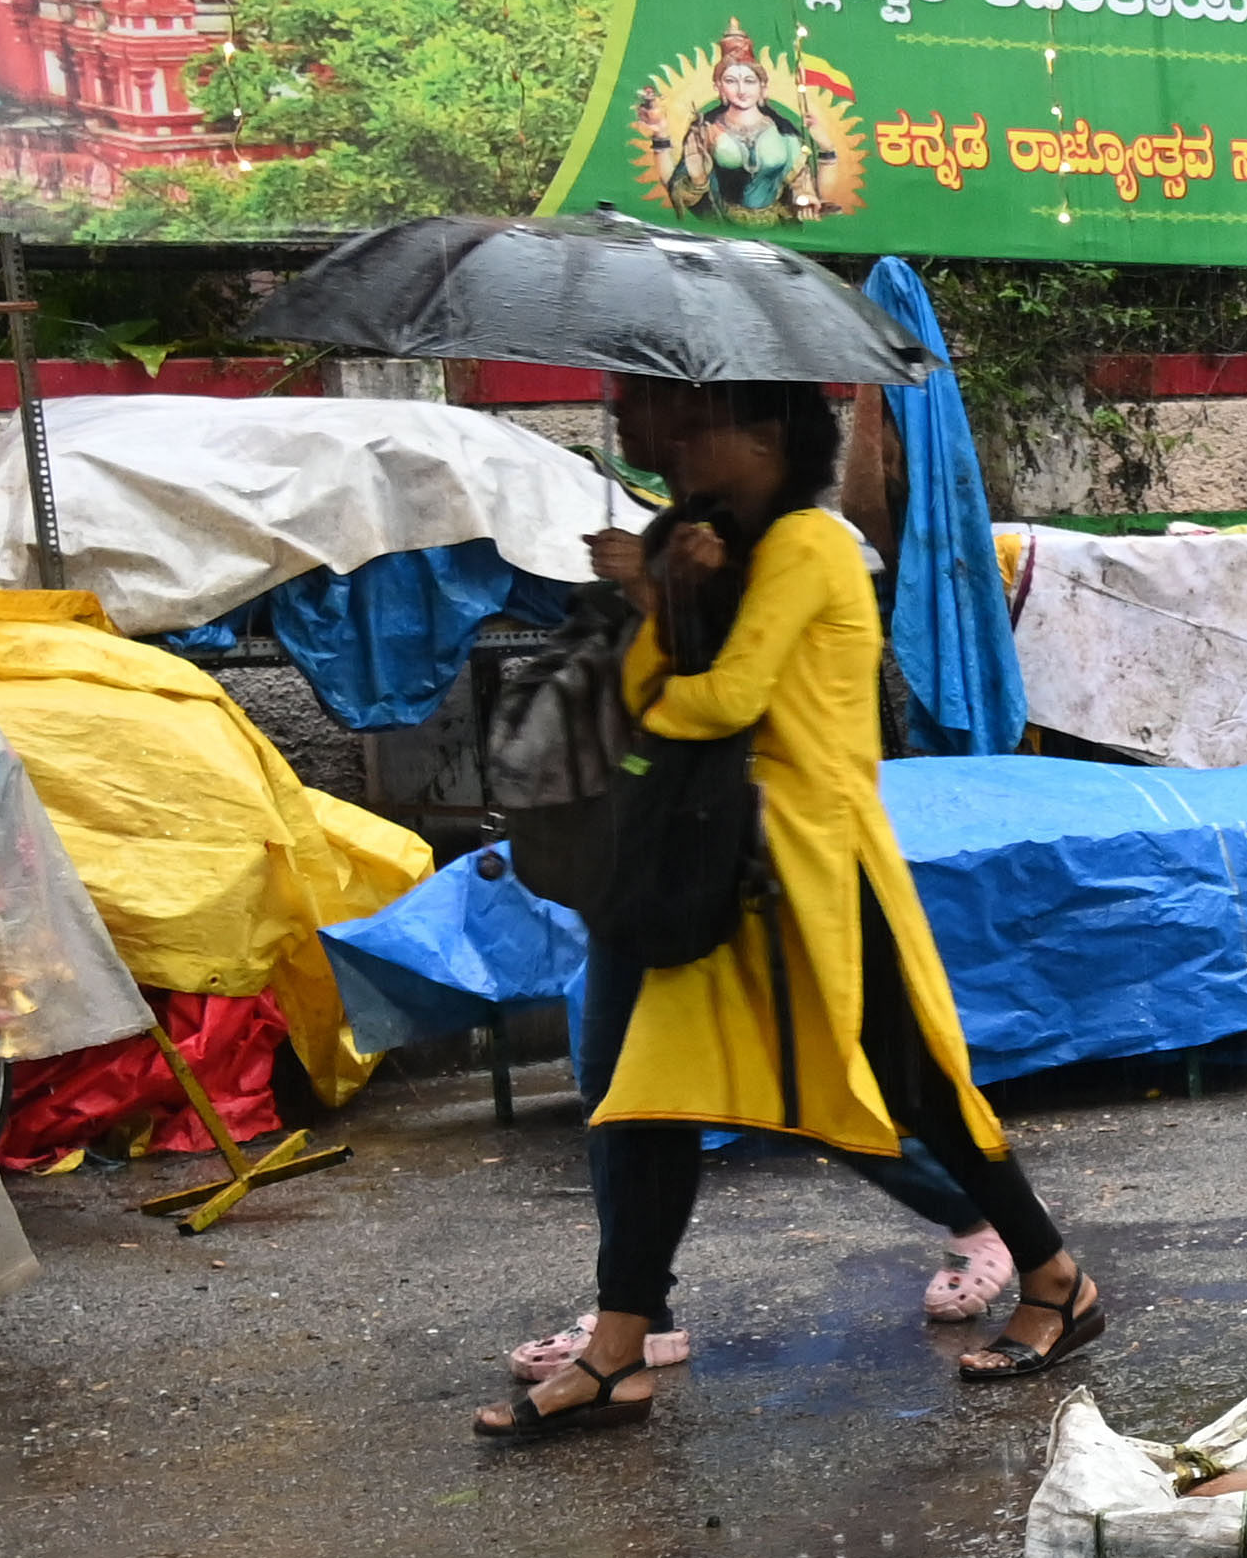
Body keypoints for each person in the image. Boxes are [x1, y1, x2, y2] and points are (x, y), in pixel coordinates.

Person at [470, 380, 1098, 1438]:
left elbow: (722, 697)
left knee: (916, 1084)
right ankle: (617, 1354)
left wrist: (667, 617)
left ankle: (1056, 1277)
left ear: (761, 435)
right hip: (721, 866)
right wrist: (667, 599)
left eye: (683, 422)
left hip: (815, 865)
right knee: (650, 1097)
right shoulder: (708, 541)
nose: (659, 441)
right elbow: (650, 685)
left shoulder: (807, 544)